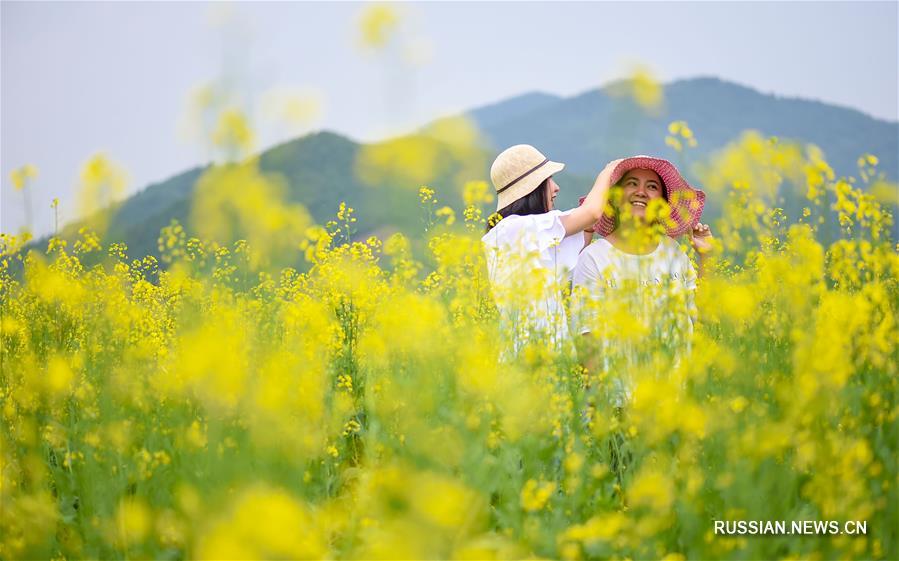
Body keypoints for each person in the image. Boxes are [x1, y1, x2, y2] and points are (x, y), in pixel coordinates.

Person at [570, 155, 713, 404]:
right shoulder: (594, 258)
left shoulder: (673, 254)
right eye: (632, 183)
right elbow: (587, 340)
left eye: (652, 187)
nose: (641, 192)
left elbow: (701, 315)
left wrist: (706, 259)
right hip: (619, 407)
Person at [480, 144, 621, 356]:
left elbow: (580, 245)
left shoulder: (523, 238)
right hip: (533, 363)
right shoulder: (513, 229)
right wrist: (609, 171)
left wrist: (591, 221)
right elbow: (591, 213)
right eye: (549, 181)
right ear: (532, 189)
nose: (556, 188)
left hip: (547, 361)